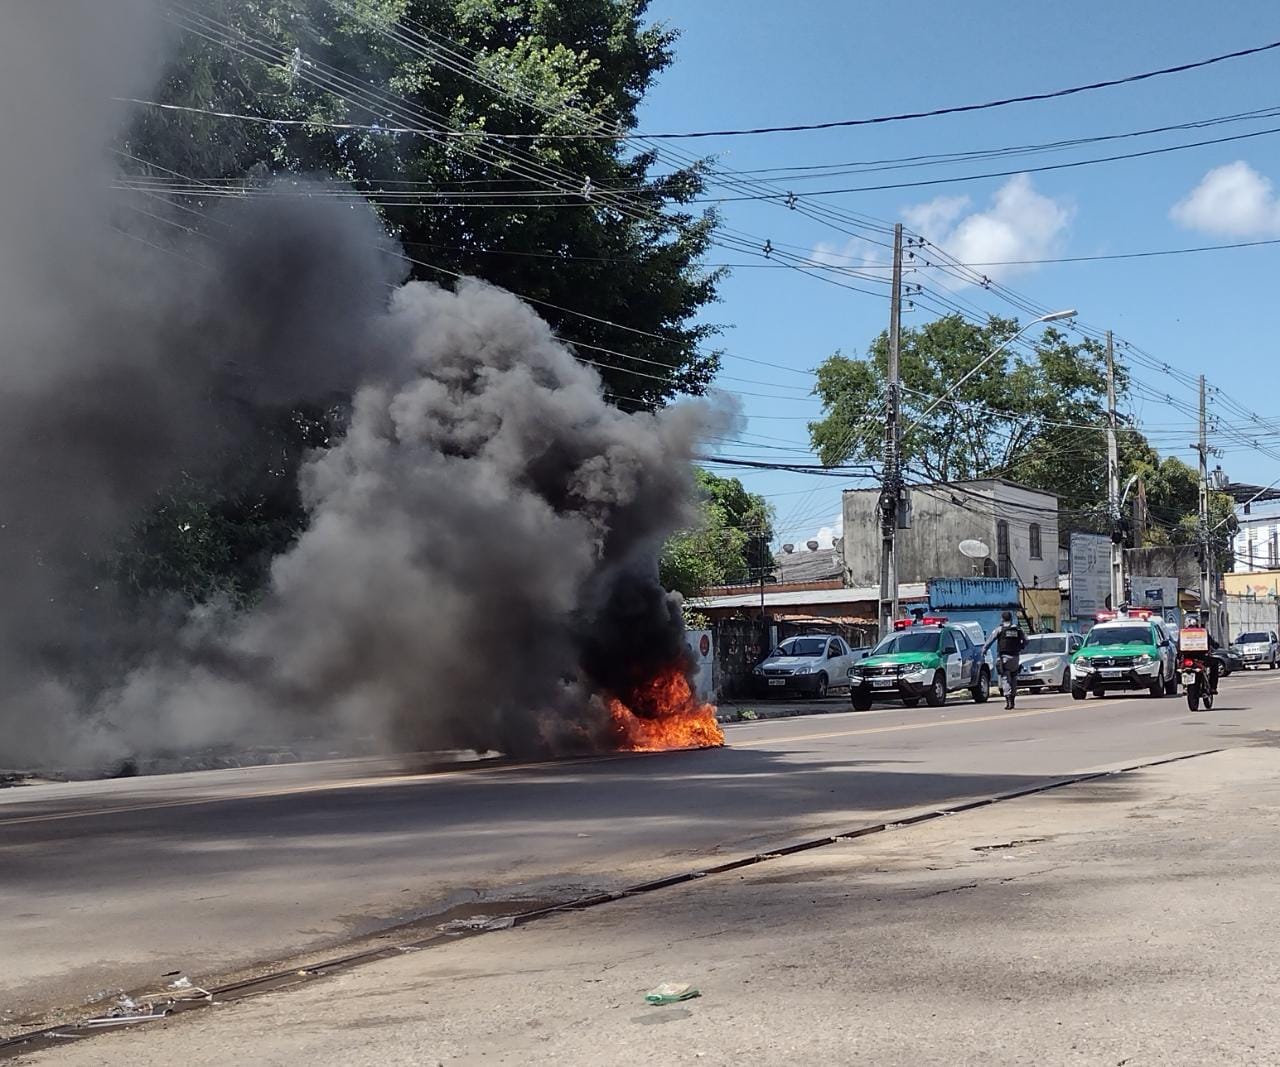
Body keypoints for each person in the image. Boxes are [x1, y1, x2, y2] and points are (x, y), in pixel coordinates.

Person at [983, 610, 1027, 709]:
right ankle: (1013, 700)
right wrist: (1021, 646)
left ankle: (1008, 701)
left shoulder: (999, 629)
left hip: (1004, 658)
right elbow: (1026, 640)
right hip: (1016, 657)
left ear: (1002, 619)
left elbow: (990, 640)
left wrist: (984, 650)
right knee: (1014, 678)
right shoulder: (1018, 629)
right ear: (1011, 618)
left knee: (1005, 678)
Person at [1181, 614, 1220, 695]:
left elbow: (1178, 647)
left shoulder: (1182, 633)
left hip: (1187, 659)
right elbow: (1212, 643)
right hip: (1201, 659)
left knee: (1181, 668)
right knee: (1215, 663)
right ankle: (1213, 687)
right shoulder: (1202, 632)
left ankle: (1185, 686)